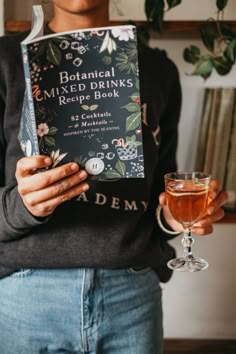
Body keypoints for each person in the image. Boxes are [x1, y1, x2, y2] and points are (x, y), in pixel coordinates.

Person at [0, 0, 228, 353]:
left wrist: (173, 216)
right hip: (28, 296)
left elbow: (157, 197)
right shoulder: (7, 61)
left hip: (131, 296)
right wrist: (23, 205)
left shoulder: (158, 70)